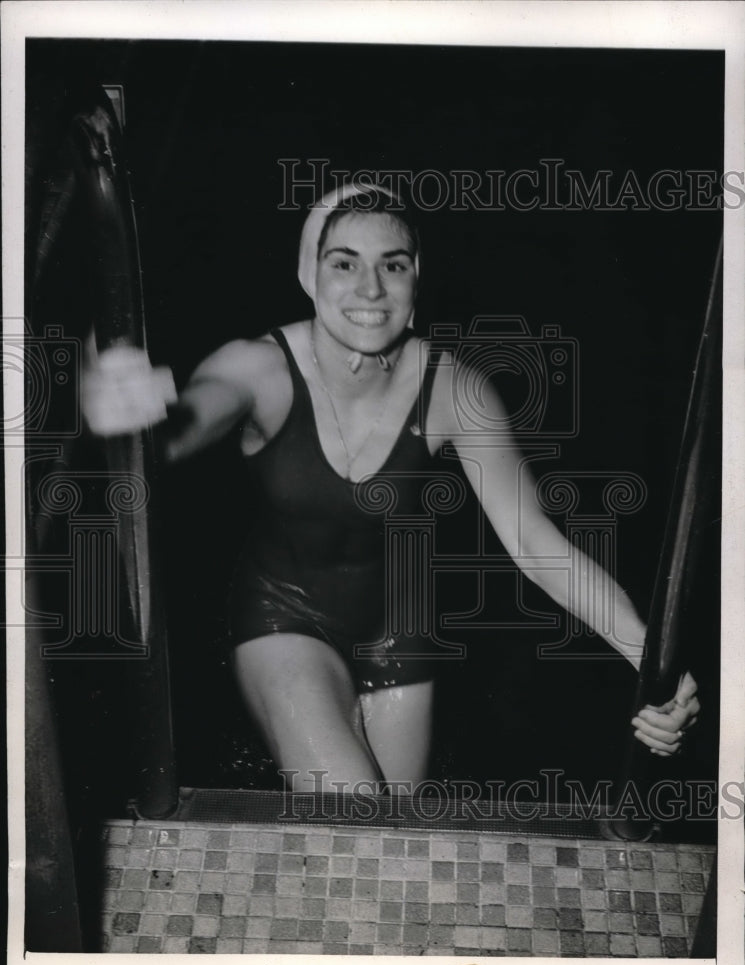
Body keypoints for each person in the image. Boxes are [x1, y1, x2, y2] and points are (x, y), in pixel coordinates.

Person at [82, 183, 700, 794]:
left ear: (415, 279)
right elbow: (172, 436)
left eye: (392, 266)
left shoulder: (455, 388)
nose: (371, 289)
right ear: (310, 273)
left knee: (397, 847)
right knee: (353, 810)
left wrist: (654, 662)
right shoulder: (259, 368)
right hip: (281, 614)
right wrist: (123, 412)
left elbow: (538, 545)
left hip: (400, 630)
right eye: (344, 263)